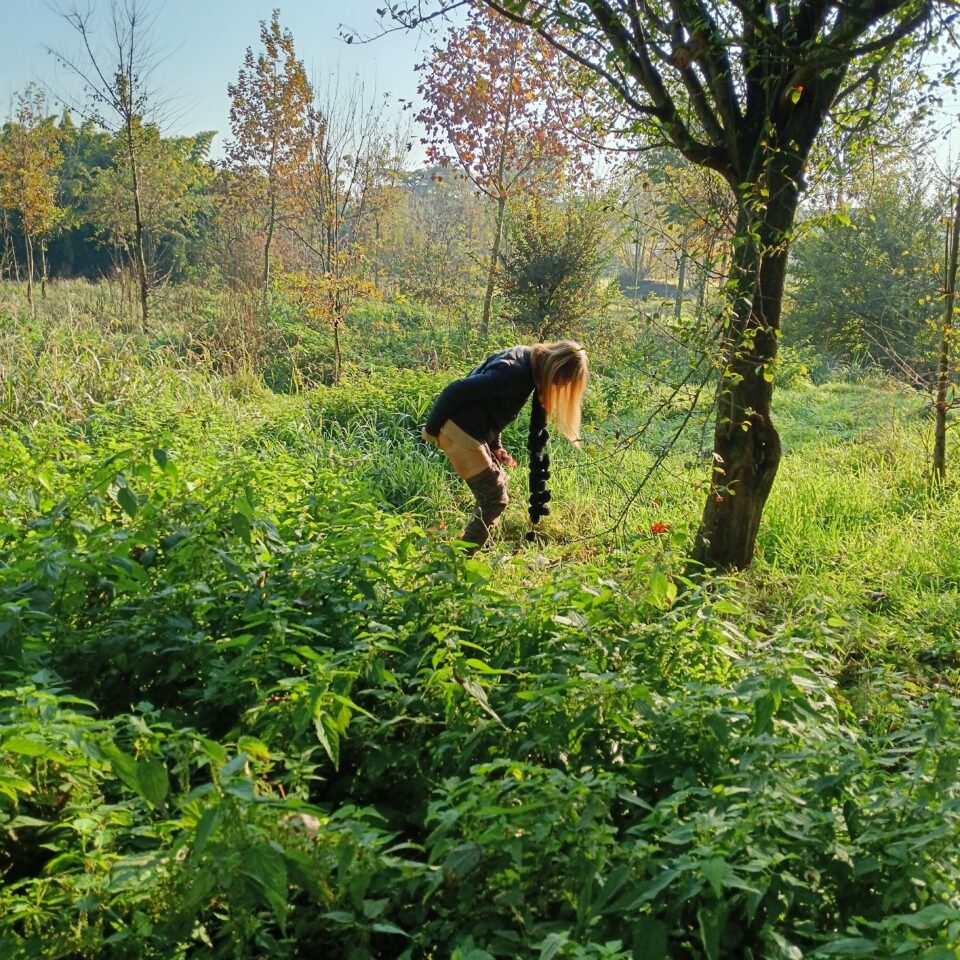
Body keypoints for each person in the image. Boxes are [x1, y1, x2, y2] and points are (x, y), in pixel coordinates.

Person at [422, 340, 588, 551]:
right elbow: (456, 390)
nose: (557, 388)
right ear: (554, 369)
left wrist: (495, 446)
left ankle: (476, 544)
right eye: (560, 383)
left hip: (471, 430)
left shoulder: (526, 358)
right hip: (461, 431)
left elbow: (491, 406)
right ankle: (460, 561)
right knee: (494, 498)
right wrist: (431, 429)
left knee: (495, 486)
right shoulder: (515, 374)